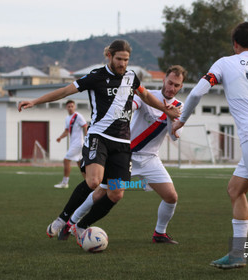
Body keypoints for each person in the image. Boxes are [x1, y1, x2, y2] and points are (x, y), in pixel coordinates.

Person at [18, 39, 180, 238]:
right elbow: (64, 91)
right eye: (119, 59)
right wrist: (35, 101)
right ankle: (62, 219)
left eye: (126, 60)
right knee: (94, 181)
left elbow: (145, 96)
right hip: (99, 137)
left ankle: (81, 225)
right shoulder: (96, 76)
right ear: (109, 56)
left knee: (116, 192)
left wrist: (166, 110)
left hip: (122, 144)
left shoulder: (131, 77)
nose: (123, 64)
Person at [172, 22, 248, 269]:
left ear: (235, 44)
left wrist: (181, 121)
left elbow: (195, 94)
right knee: (235, 189)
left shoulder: (225, 63)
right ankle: (237, 253)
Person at [58, 65, 187, 245]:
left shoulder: (179, 106)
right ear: (164, 80)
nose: (171, 88)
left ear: (181, 87)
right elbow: (131, 105)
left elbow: (173, 135)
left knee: (171, 197)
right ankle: (71, 223)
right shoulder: (147, 95)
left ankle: (160, 233)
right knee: (102, 191)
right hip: (128, 156)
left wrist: (174, 127)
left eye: (176, 85)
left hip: (151, 159)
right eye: (170, 83)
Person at [54, 100, 88, 188]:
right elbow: (66, 131)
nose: (70, 108)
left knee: (66, 160)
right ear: (66, 107)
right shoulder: (67, 118)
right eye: (69, 106)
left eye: (72, 106)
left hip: (78, 143)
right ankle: (88, 182)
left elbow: (85, 126)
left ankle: (65, 183)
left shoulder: (78, 116)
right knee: (80, 163)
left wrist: (87, 138)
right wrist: (60, 137)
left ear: (75, 107)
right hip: (74, 143)